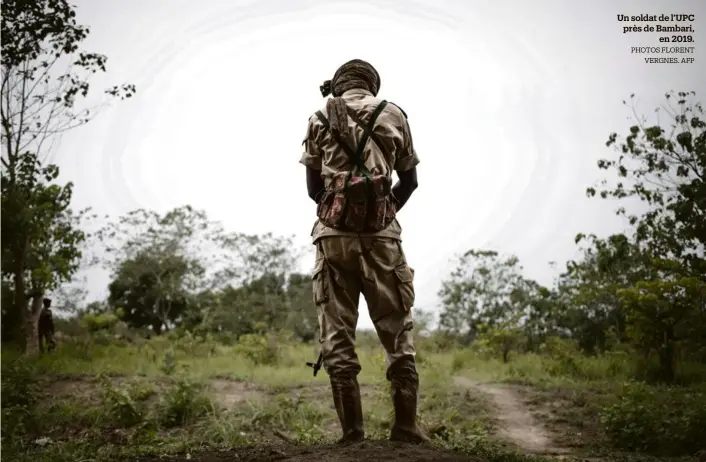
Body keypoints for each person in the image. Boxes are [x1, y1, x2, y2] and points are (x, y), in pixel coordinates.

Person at [299, 59, 427, 444]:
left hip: (332, 238)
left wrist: (340, 212)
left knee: (337, 334)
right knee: (396, 332)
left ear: (338, 86)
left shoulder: (319, 116)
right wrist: (380, 215)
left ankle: (352, 434)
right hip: (383, 238)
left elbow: (312, 188)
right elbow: (411, 181)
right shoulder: (394, 114)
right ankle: (405, 427)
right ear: (371, 85)